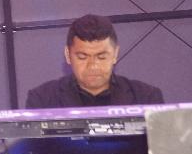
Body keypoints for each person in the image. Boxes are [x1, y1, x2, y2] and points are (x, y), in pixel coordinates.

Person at [24, 14, 164, 108]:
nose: (93, 65)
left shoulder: (146, 98)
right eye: (82, 57)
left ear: (115, 54)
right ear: (68, 55)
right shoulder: (43, 100)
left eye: (101, 57)